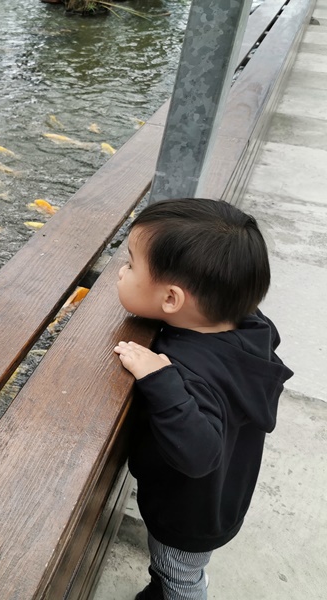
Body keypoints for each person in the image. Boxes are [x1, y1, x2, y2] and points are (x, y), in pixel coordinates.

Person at [113, 198, 294, 600]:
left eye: (129, 264)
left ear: (172, 300)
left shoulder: (189, 374)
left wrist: (161, 378)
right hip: (224, 491)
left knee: (179, 577)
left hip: (189, 516)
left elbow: (199, 453)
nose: (120, 271)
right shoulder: (249, 327)